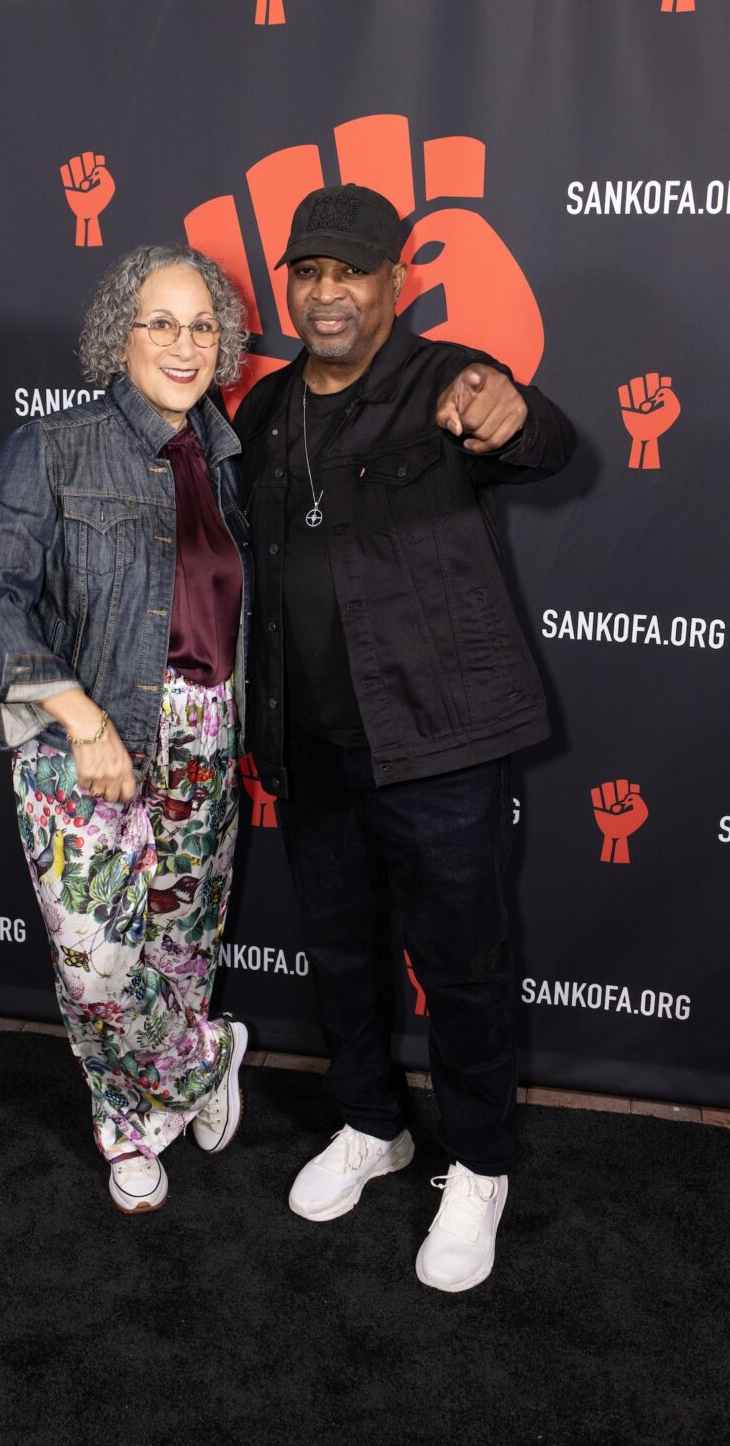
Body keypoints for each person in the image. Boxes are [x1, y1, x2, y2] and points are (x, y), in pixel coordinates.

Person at [232, 184, 576, 1291]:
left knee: (462, 966)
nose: (326, 294)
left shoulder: (446, 382)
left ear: (395, 284)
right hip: (312, 744)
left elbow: (538, 440)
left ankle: (477, 1164)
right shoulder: (265, 408)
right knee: (341, 956)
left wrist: (513, 412)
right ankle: (372, 1126)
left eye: (352, 272)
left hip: (437, 744)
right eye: (309, 272)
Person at [0, 246, 252, 1215]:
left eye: (202, 325)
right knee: (98, 961)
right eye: (159, 322)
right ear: (117, 335)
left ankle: (134, 1123)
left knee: (180, 940)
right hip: (85, 735)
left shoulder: (231, 458)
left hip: (206, 735)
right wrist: (76, 714)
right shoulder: (54, 447)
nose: (183, 344)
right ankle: (203, 1061)